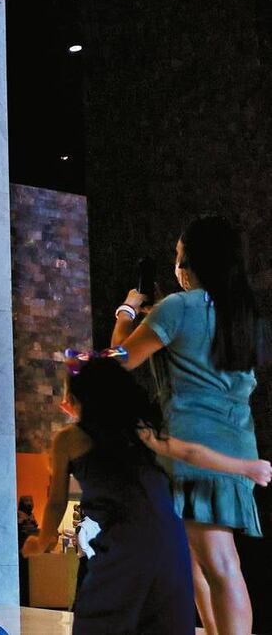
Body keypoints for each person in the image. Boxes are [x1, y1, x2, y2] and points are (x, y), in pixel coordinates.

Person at [22, 356, 271, 634]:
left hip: (125, 546)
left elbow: (56, 503)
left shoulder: (69, 439)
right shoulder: (143, 431)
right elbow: (191, 453)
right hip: (170, 545)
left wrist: (41, 542)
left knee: (100, 622)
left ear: (77, 397)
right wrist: (246, 467)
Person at [112, 216, 267, 635]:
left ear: (193, 261)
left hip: (194, 448)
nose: (176, 264)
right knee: (197, 560)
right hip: (236, 446)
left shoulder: (178, 308)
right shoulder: (242, 315)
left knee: (218, 563)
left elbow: (118, 360)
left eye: (179, 255)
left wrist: (127, 311)